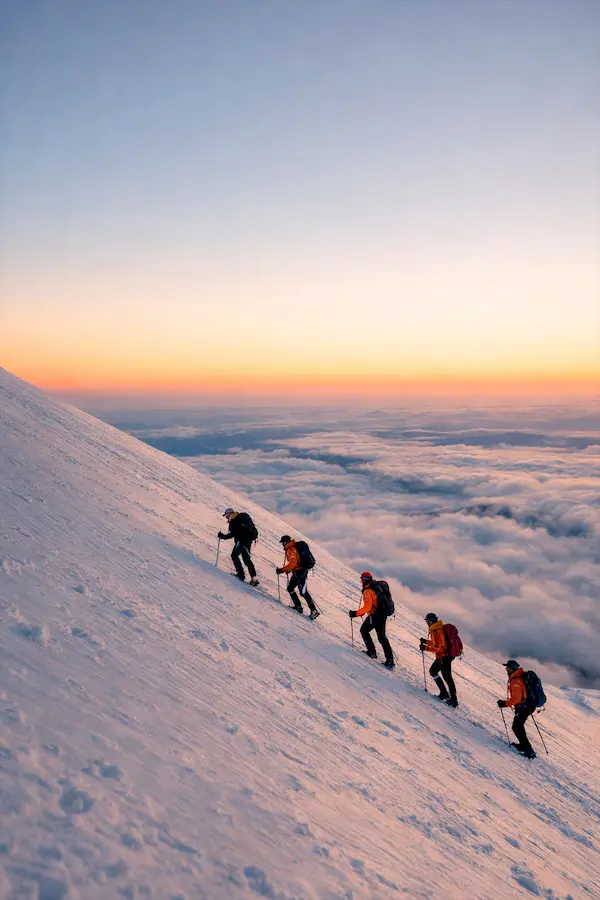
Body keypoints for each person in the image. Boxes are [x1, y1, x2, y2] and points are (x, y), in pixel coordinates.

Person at [349, 572, 394, 669]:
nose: (361, 580)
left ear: (364, 580)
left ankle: (372, 652)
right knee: (382, 637)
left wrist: (355, 613)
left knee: (364, 630)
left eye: (362, 579)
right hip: (383, 614)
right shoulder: (376, 585)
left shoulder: (368, 590)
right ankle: (390, 660)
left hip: (375, 615)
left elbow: (367, 607)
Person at [497, 660, 536, 759]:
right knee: (517, 726)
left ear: (512, 669)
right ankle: (524, 746)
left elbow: (516, 699)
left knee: (517, 726)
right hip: (526, 706)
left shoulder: (516, 681)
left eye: (508, 667)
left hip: (524, 707)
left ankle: (529, 750)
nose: (506, 669)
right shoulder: (517, 678)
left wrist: (504, 703)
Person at [276, 535, 319, 620]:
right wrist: (289, 569)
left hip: (300, 572)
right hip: (299, 571)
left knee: (302, 591)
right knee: (291, 588)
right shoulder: (292, 547)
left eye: (282, 543)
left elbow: (293, 563)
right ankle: (298, 606)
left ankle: (313, 610)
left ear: (285, 542)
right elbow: (295, 562)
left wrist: (282, 570)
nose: (282, 545)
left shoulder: (291, 549)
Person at [420, 613, 458, 707]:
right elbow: (436, 643)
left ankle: (453, 700)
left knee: (446, 677)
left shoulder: (436, 631)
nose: (427, 623)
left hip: (444, 657)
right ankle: (445, 694)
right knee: (435, 672)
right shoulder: (436, 629)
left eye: (428, 621)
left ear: (432, 621)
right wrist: (426, 642)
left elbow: (439, 648)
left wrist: (425, 648)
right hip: (445, 656)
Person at [217, 508, 259, 586]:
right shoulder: (240, 518)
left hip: (241, 541)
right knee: (247, 560)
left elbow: (233, 534)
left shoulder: (235, 521)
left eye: (226, 516)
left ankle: (241, 574)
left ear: (229, 514)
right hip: (248, 541)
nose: (226, 518)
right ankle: (254, 579)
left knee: (234, 555)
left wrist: (223, 536)